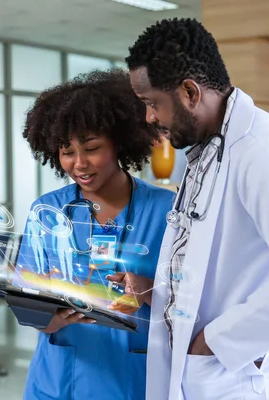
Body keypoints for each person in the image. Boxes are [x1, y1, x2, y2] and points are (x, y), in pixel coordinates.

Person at [124, 18, 269, 400]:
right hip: (212, 378)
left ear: (190, 92)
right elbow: (220, 263)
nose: (149, 118)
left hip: (253, 382)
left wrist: (214, 341)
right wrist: (162, 294)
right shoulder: (209, 151)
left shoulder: (264, 150)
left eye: (152, 104)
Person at [15, 69, 175, 400]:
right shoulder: (47, 212)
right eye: (66, 151)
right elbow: (25, 298)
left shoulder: (167, 211)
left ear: (119, 142)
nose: (79, 163)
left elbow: (199, 293)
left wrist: (148, 289)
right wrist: (49, 319)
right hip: (58, 380)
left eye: (91, 148)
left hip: (132, 379)